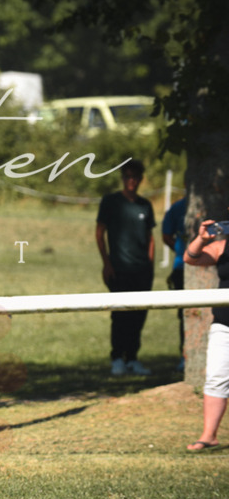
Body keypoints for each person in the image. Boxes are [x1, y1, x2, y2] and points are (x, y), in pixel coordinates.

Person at [96, 159, 155, 376]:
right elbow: (99, 232)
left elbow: (150, 238)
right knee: (120, 315)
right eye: (127, 176)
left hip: (142, 270)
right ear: (122, 178)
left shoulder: (144, 206)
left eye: (135, 177)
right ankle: (117, 358)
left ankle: (133, 357)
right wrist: (106, 262)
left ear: (140, 179)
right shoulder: (111, 202)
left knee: (139, 315)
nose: (131, 181)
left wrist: (150, 265)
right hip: (119, 267)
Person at [183, 215, 229, 450]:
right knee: (215, 378)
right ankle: (208, 435)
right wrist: (201, 239)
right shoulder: (222, 244)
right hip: (224, 323)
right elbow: (190, 258)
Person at [162, 197, 188, 371]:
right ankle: (185, 355)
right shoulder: (177, 208)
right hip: (182, 268)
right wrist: (181, 250)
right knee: (186, 314)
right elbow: (166, 235)